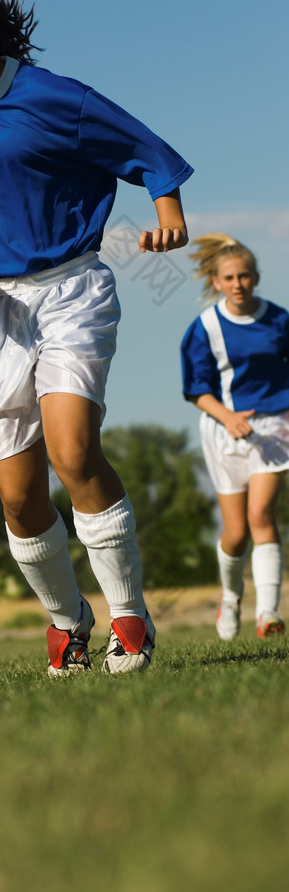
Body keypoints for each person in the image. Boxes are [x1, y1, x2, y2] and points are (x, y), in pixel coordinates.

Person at [0, 0, 193, 675]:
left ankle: (129, 614)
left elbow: (146, 151)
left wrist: (168, 217)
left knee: (73, 451)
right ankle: (68, 621)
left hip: (71, 289)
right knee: (20, 496)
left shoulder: (54, 96)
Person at [181, 234, 289, 640]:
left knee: (262, 516)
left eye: (245, 275)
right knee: (237, 532)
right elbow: (196, 387)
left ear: (257, 277)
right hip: (223, 429)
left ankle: (267, 613)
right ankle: (230, 598)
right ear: (216, 280)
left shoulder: (280, 320)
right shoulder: (205, 327)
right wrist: (228, 417)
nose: (239, 283)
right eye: (230, 277)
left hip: (274, 428)